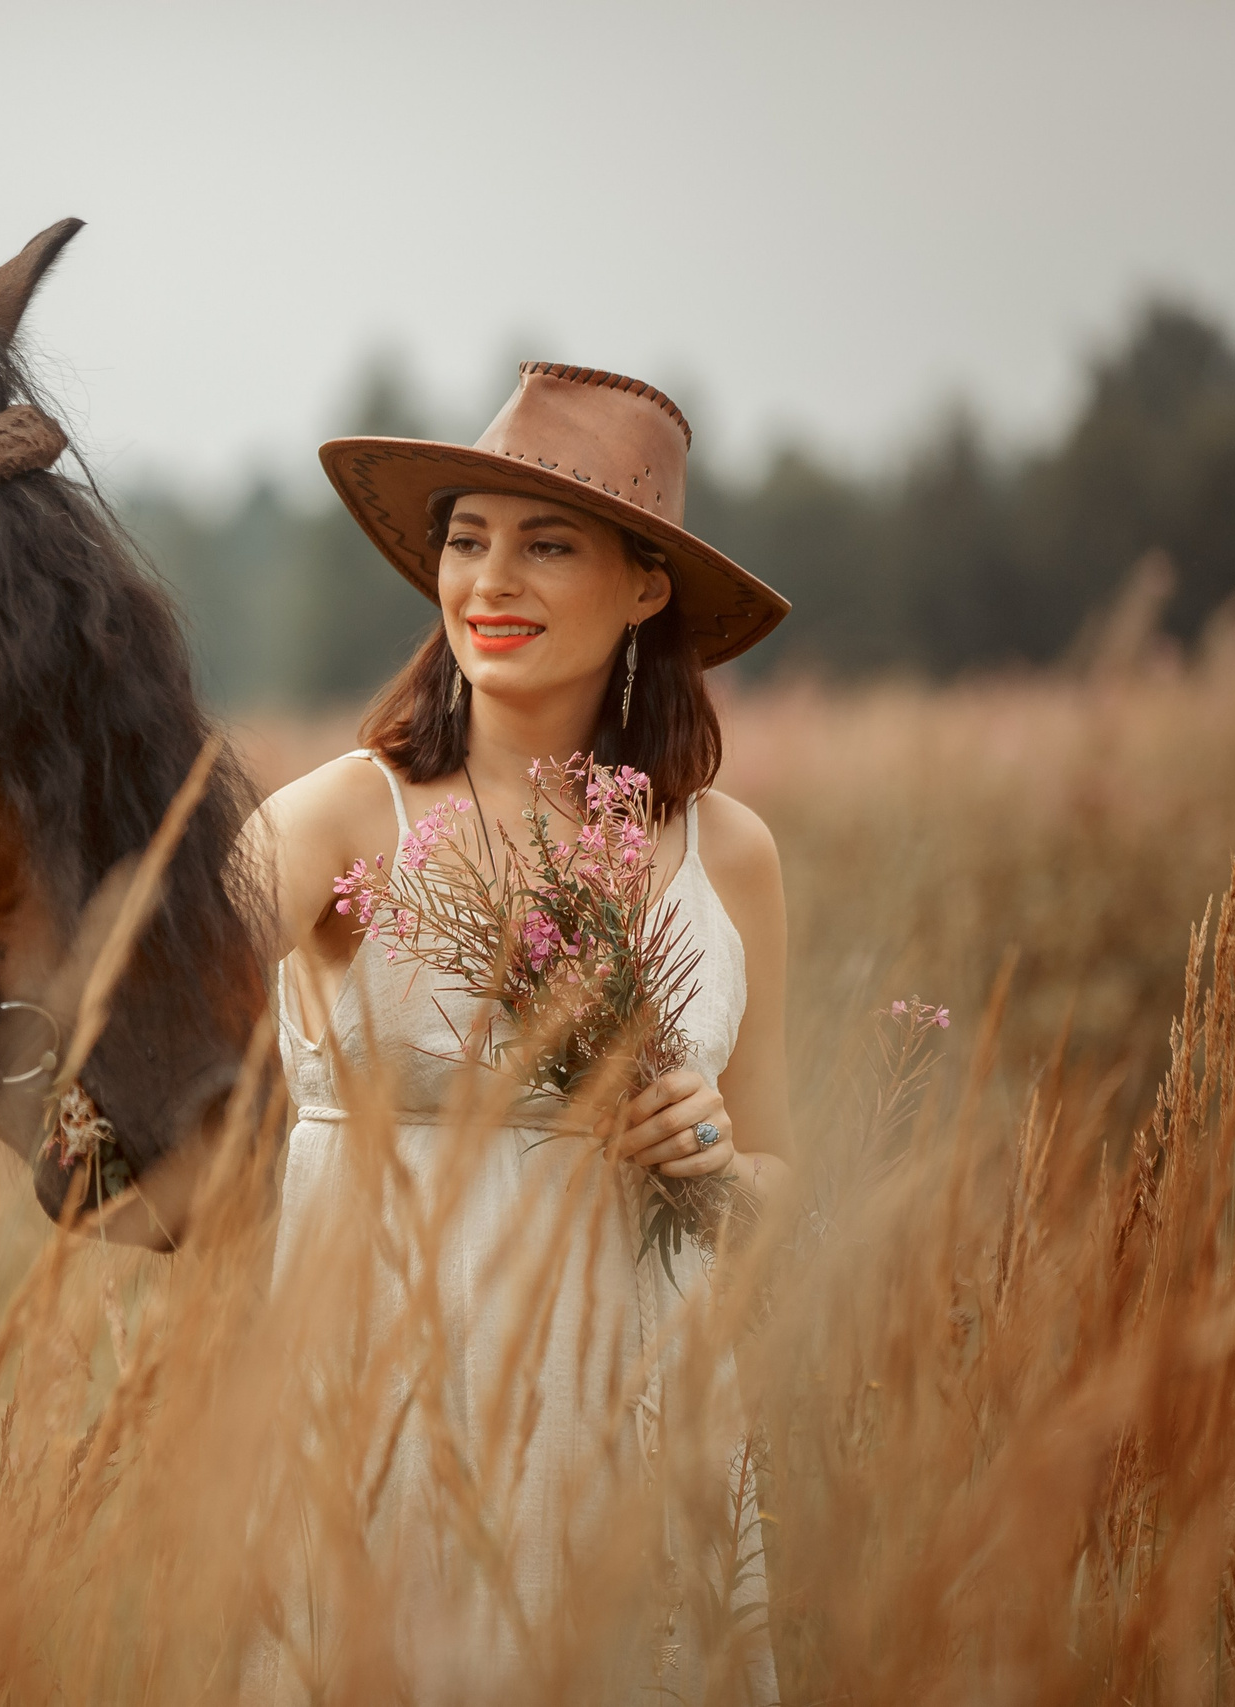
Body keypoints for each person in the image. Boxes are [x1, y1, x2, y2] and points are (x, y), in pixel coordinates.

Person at [249, 363, 793, 1702]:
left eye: (548, 545)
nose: (490, 582)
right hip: (379, 1417)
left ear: (646, 585)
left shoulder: (732, 854)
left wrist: (715, 1157)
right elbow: (134, 997)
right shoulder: (335, 820)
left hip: (635, 1417)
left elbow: (781, 1182)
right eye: (466, 539)